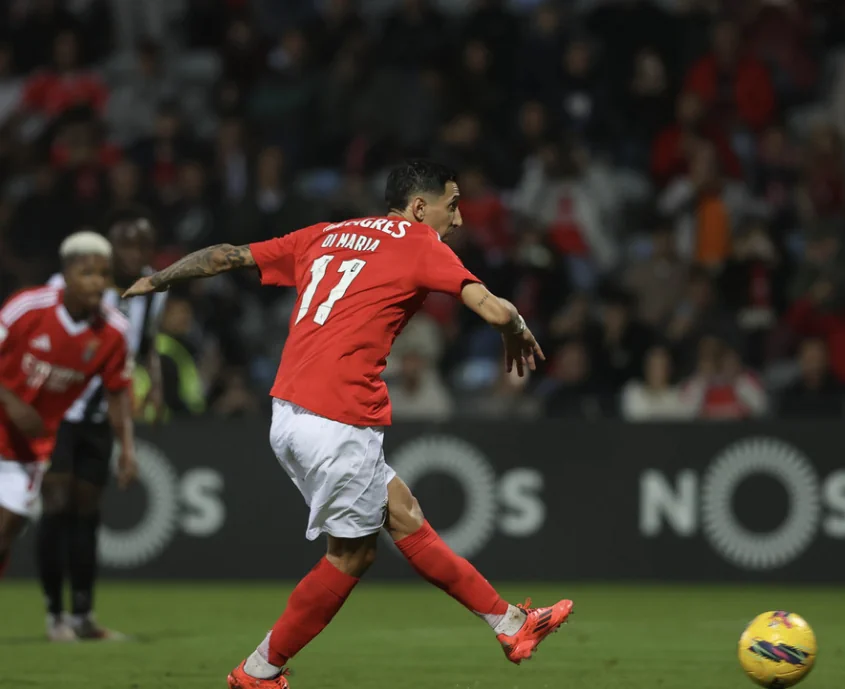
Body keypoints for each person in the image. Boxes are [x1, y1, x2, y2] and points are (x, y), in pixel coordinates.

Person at [124, 160, 572, 689]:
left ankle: (511, 625)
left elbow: (227, 256)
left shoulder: (327, 234)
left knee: (403, 513)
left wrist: (157, 278)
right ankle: (258, 671)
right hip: (338, 420)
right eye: (452, 205)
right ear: (419, 207)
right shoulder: (417, 241)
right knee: (351, 554)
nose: (459, 219)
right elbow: (494, 311)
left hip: (289, 412)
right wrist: (516, 326)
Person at [38, 210, 165, 642]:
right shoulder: (75, 285)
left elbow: (144, 346)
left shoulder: (154, 290)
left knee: (87, 512)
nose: (133, 254)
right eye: (125, 245)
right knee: (56, 505)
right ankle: (56, 613)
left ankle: (84, 614)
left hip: (99, 415)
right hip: (56, 412)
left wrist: (155, 385)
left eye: (141, 246)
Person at [0, 233, 136, 593]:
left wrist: (127, 448)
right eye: (87, 273)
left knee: (4, 533)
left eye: (103, 275)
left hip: (26, 449)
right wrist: (12, 401)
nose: (97, 283)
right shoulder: (27, 307)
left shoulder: (113, 332)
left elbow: (118, 391)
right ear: (67, 274)